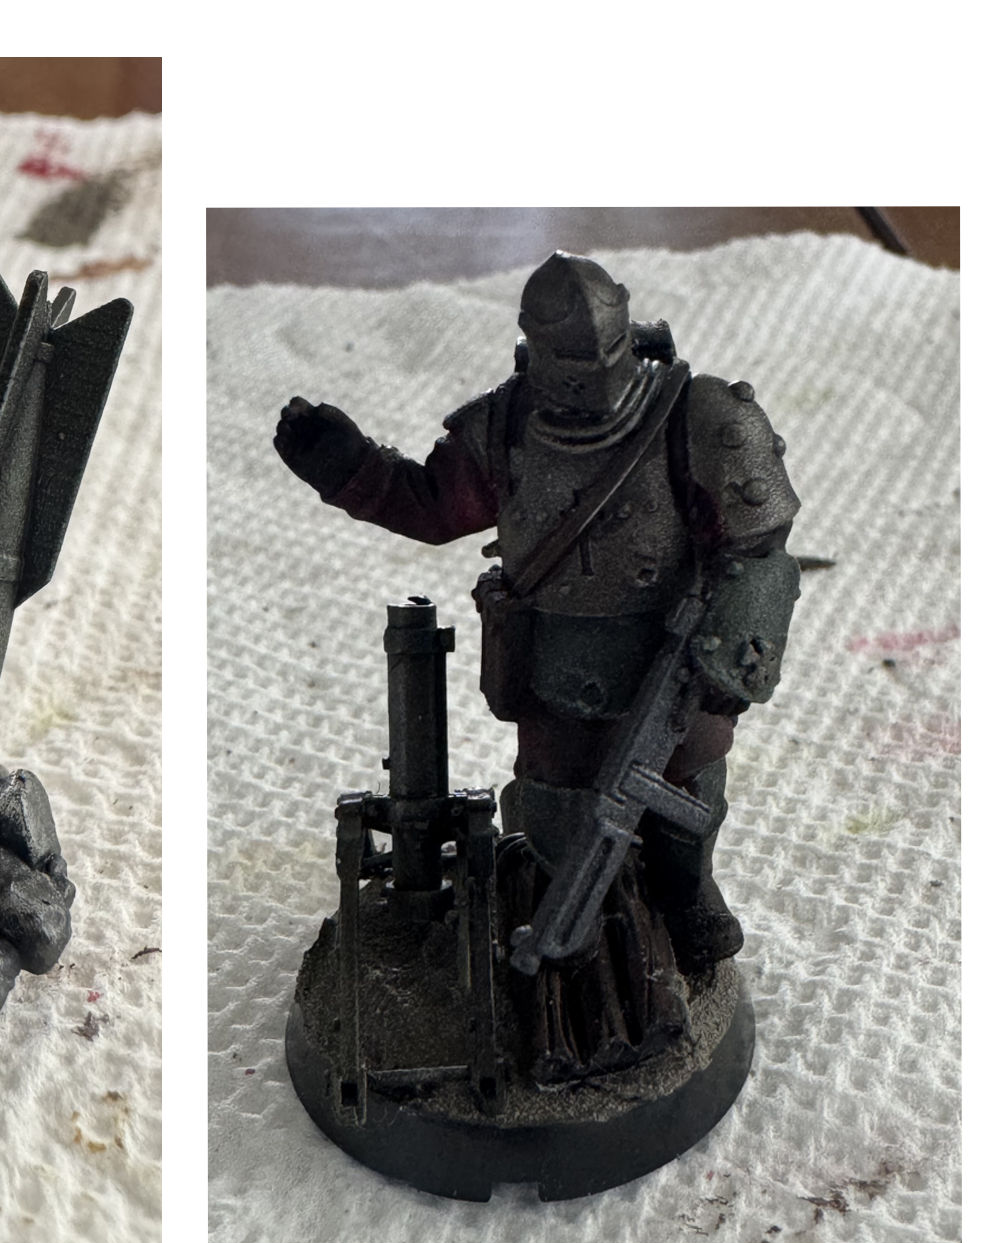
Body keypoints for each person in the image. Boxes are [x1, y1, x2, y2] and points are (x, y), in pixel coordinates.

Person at [276, 253, 802, 987]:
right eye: (570, 361)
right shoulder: (504, 427)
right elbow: (432, 504)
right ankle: (576, 930)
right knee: (557, 797)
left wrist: (731, 648)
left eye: (604, 354)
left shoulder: (700, 416)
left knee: (688, 786)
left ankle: (685, 892)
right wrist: (348, 467)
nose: (589, 377)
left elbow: (760, 547)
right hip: (557, 658)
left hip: (678, 658)